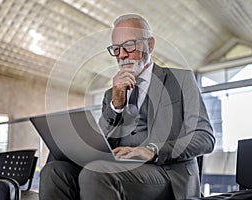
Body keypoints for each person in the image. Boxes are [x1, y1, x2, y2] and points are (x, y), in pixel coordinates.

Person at [39, 14, 215, 200]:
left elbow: (205, 137)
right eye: (116, 49)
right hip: (117, 168)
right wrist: (115, 106)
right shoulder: (111, 94)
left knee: (98, 172)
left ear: (150, 45)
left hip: (166, 173)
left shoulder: (181, 80)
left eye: (129, 45)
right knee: (54, 171)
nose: (122, 54)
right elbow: (103, 145)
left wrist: (153, 150)